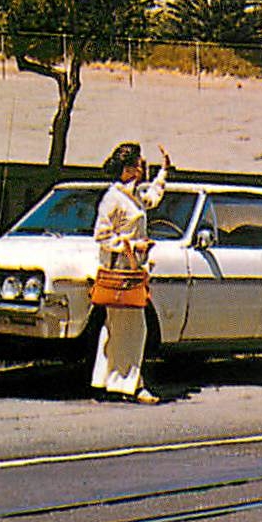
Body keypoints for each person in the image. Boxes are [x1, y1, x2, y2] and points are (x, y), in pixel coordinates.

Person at [91, 140, 171, 404]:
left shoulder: (133, 194)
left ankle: (110, 381)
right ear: (129, 168)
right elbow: (102, 235)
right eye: (139, 163)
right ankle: (131, 385)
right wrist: (133, 245)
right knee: (133, 329)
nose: (142, 167)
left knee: (120, 329)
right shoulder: (112, 198)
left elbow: (151, 199)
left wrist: (163, 174)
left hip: (133, 270)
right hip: (120, 271)